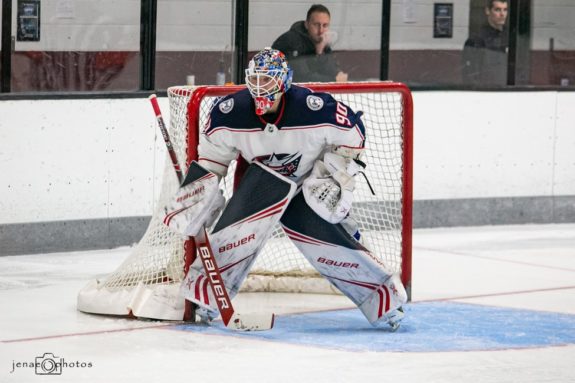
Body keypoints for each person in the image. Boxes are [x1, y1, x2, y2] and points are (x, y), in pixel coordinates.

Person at [164, 48, 407, 330]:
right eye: (254, 80)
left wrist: (334, 174)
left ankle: (384, 299)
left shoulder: (314, 108)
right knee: (236, 234)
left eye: (267, 81)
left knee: (324, 237)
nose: (259, 88)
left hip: (306, 188)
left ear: (284, 82)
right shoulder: (230, 113)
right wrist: (197, 196)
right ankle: (205, 297)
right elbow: (212, 161)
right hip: (259, 184)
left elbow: (354, 134)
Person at [272, 4, 348, 83]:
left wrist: (320, 51)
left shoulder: (322, 42)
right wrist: (333, 80)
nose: (321, 30)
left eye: (325, 25)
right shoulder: (292, 41)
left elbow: (334, 72)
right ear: (307, 24)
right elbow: (301, 78)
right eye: (316, 25)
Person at [462, 0, 509, 85]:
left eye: (505, 10)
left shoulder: (510, 37)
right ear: (488, 11)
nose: (502, 14)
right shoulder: (476, 39)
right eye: (497, 10)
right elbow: (471, 75)